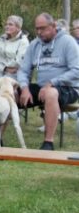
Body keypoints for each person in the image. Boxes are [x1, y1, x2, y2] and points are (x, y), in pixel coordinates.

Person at [18, 12, 79, 150]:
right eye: (37, 29)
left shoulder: (68, 42)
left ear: (53, 26)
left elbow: (76, 70)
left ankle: (48, 142)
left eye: (43, 28)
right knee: (11, 92)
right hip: (42, 87)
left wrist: (53, 82)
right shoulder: (34, 44)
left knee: (51, 93)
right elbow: (23, 70)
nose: (39, 32)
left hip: (67, 88)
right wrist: (24, 87)